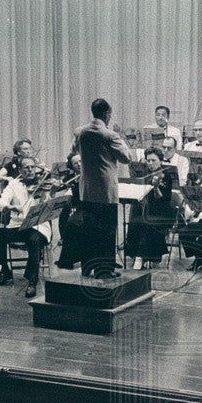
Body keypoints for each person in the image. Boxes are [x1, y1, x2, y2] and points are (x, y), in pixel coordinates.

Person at [72, 97, 134, 279]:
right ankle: (103, 270)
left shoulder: (80, 131)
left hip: (87, 189)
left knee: (88, 230)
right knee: (106, 231)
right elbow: (126, 158)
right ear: (107, 113)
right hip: (105, 191)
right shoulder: (109, 135)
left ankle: (86, 267)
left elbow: (74, 151)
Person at [0, 157, 52, 298]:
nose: (30, 170)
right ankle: (5, 270)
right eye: (26, 168)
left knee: (33, 239)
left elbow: (48, 208)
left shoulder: (43, 184)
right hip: (17, 225)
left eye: (32, 167)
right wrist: (10, 207)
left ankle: (32, 280)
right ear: (20, 170)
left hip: (38, 226)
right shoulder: (13, 184)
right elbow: (0, 202)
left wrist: (46, 194)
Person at [124, 147, 176, 269]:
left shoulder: (166, 176)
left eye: (154, 160)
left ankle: (142, 256)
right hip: (147, 209)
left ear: (160, 160)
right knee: (134, 221)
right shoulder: (144, 174)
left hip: (162, 212)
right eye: (148, 161)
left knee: (144, 222)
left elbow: (163, 200)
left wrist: (156, 187)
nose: (151, 163)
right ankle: (137, 254)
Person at [55, 152, 87, 270]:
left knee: (73, 224)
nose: (79, 165)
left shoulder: (92, 174)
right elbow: (59, 188)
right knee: (68, 220)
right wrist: (56, 186)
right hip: (80, 208)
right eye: (75, 163)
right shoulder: (71, 178)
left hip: (92, 207)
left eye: (80, 161)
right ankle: (68, 259)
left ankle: (70, 259)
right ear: (72, 166)